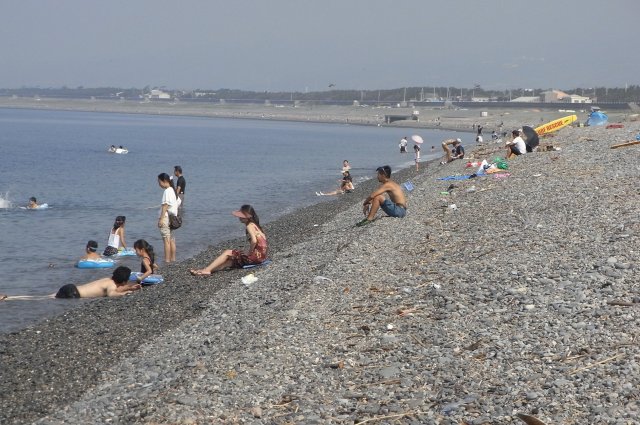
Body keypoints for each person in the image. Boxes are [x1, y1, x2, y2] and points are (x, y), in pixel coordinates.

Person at [189, 205, 268, 275]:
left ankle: (206, 270)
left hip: (255, 257)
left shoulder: (249, 226)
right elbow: (262, 242)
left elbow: (254, 241)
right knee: (229, 263)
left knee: (227, 252)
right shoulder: (255, 225)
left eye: (241, 216)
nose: (239, 217)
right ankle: (205, 271)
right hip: (261, 258)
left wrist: (249, 252)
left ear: (247, 217)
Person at [0, 266, 140, 300]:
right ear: (122, 280)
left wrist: (130, 287)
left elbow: (115, 288)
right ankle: (8, 298)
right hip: (72, 294)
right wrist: (126, 292)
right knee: (42, 298)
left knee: (44, 297)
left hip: (71, 287)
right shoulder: (111, 286)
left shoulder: (108, 280)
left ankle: (9, 297)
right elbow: (111, 294)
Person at [158, 173, 179, 263]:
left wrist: (161, 219)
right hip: (172, 218)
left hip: (166, 218)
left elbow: (165, 205)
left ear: (165, 181)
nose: (159, 184)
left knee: (166, 240)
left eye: (159, 182)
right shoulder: (172, 190)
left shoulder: (167, 191)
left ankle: (167, 260)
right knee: (171, 240)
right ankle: (173, 259)